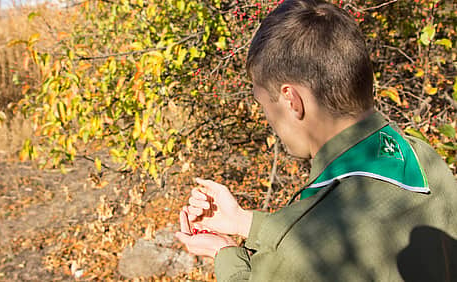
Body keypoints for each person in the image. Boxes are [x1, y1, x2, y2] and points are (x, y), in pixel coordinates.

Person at [175, 0, 457, 281]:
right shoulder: (424, 160)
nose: (268, 119)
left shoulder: (299, 254)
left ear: (291, 100)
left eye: (263, 104)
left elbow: (305, 247)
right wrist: (241, 221)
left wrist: (225, 251)